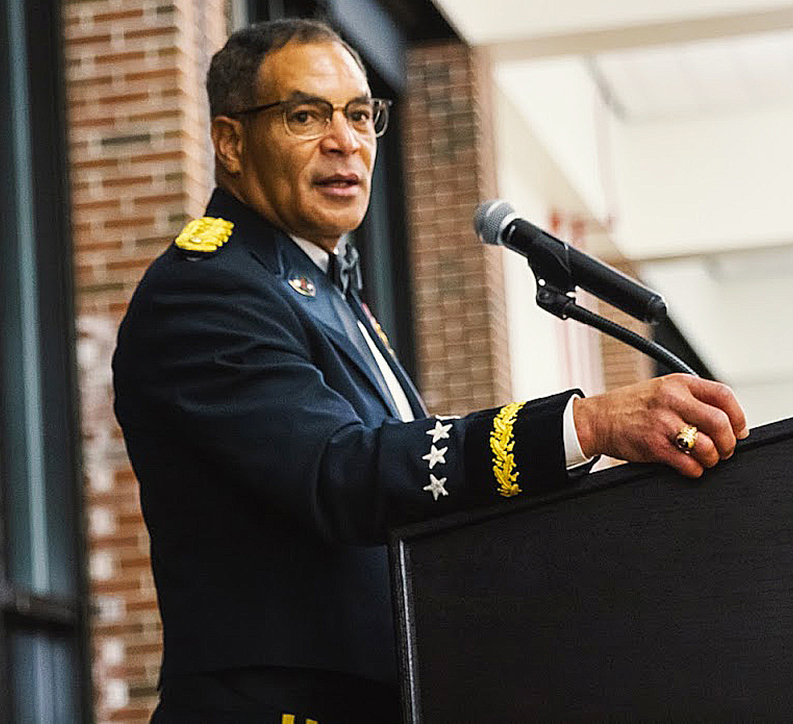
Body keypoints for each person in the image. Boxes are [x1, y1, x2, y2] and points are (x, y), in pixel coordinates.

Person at [112, 18, 748, 724]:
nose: (345, 140)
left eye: (360, 114)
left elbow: (416, 497)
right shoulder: (208, 290)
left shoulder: (324, 287)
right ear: (230, 143)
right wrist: (583, 425)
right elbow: (340, 473)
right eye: (305, 115)